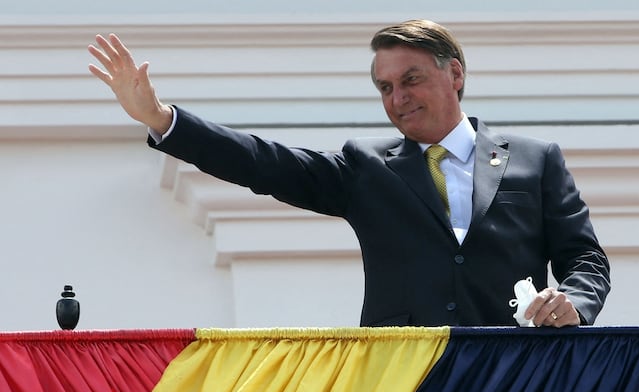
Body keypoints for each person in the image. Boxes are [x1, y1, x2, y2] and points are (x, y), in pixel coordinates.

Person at [88, 19, 610, 328]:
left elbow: (585, 258)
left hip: (515, 383)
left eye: (411, 79)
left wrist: (575, 304)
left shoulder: (536, 160)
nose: (398, 98)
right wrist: (163, 119)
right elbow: (264, 162)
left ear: (454, 73)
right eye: (385, 88)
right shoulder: (368, 168)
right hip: (400, 388)